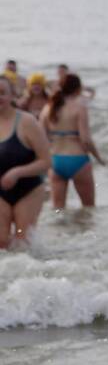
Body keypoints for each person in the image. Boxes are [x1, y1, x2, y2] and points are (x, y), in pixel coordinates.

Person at [0, 76, 51, 249]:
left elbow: (46, 161)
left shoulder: (27, 121)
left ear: (13, 95)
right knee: (1, 242)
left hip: (29, 190)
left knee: (23, 243)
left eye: (2, 93)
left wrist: (17, 172)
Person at [42, 73, 106, 210]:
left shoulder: (48, 108)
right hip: (78, 160)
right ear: (78, 89)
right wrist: (99, 159)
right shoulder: (80, 108)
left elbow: (41, 139)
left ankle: (60, 226)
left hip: (55, 160)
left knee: (58, 210)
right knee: (88, 208)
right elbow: (86, 140)